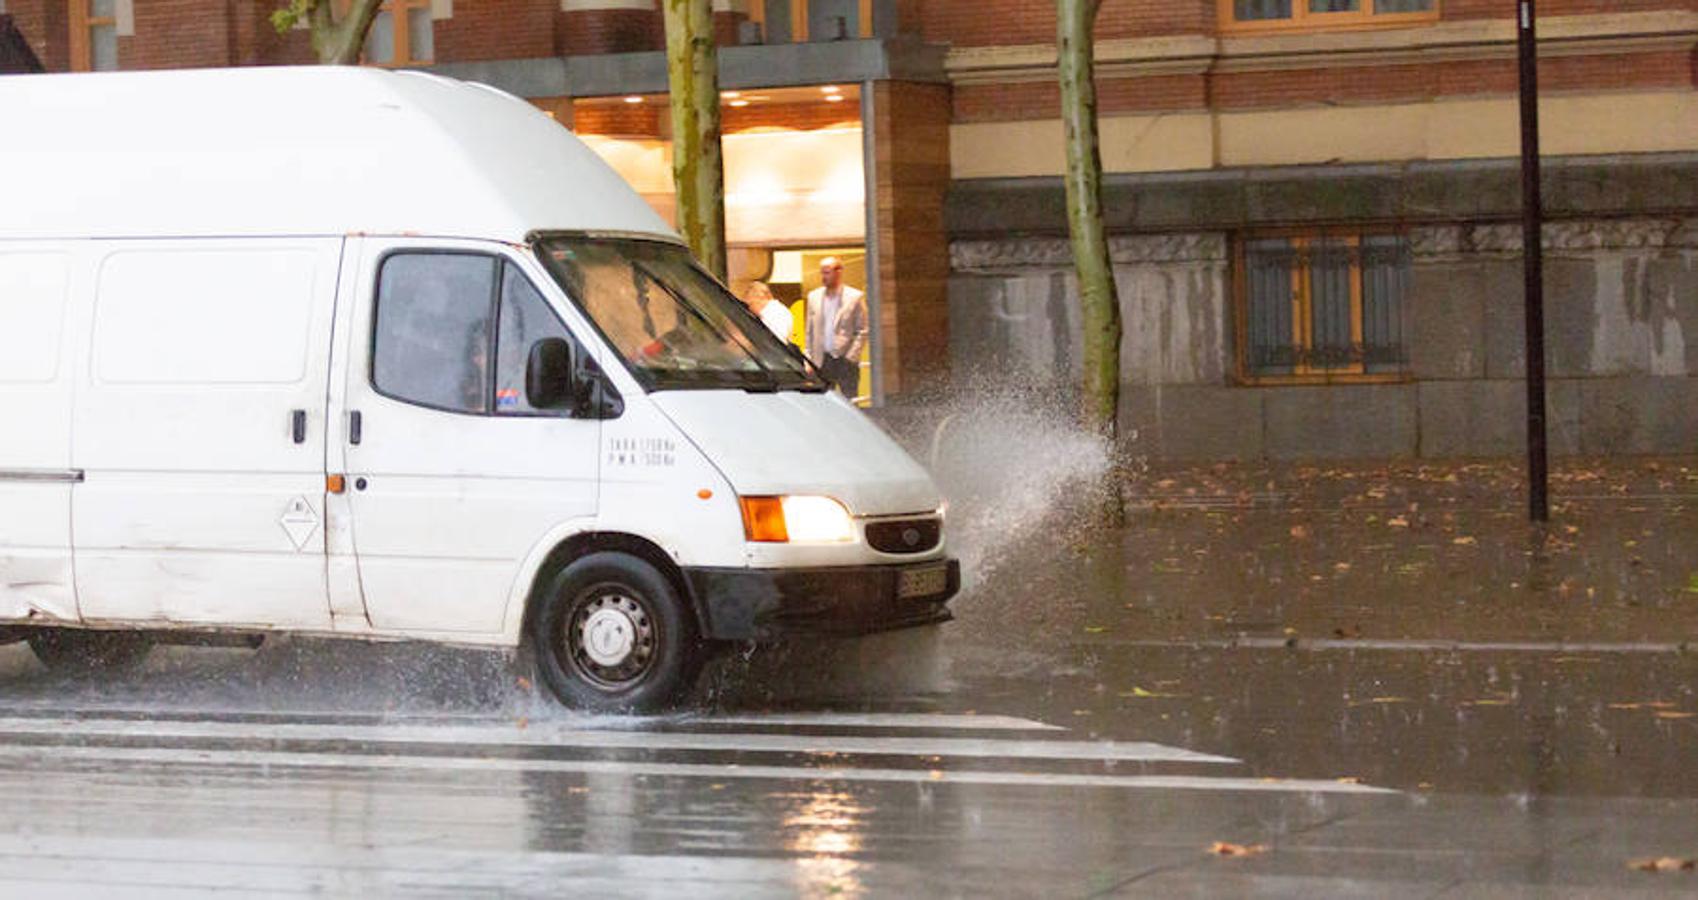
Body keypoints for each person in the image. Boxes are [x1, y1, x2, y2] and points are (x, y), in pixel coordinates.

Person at [804, 256, 867, 396]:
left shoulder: (854, 297)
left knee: (850, 399)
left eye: (827, 272)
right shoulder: (813, 297)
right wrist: (808, 358)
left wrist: (851, 357)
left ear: (838, 271)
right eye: (822, 272)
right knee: (823, 399)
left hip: (845, 358)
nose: (823, 276)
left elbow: (862, 330)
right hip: (821, 360)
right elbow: (810, 331)